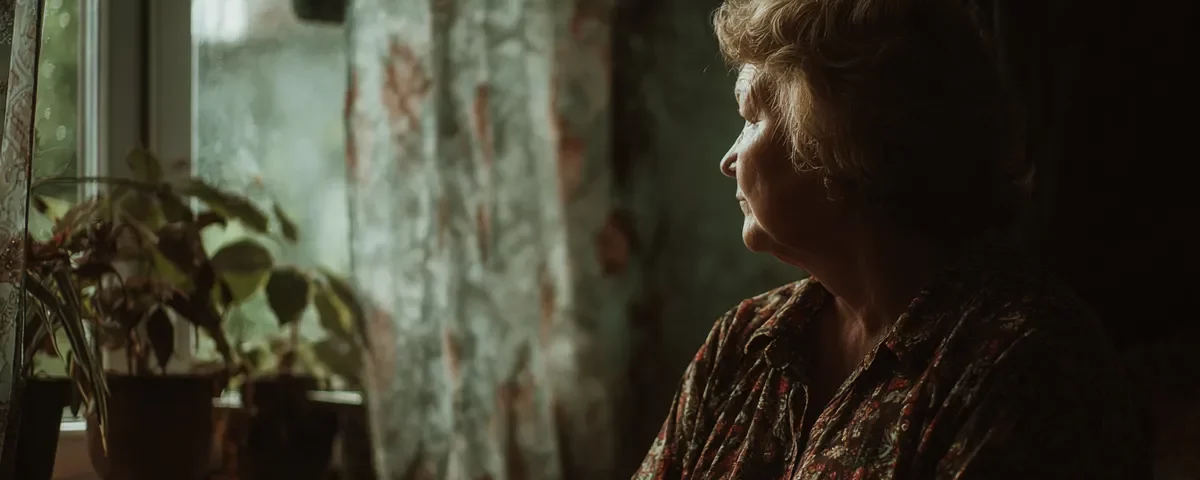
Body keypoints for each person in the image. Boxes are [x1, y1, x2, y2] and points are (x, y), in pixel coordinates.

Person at [633, 0, 1152, 478]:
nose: (728, 161)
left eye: (750, 119)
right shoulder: (744, 340)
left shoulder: (1023, 363)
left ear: (837, 135)